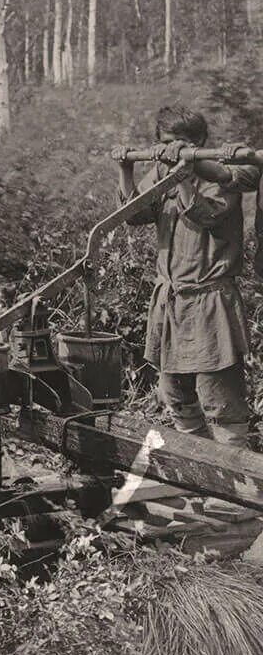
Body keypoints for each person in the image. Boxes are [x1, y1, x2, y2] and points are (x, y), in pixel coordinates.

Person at [120, 106, 258, 447]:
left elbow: (203, 218)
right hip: (171, 301)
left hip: (210, 301)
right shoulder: (160, 173)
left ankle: (234, 491)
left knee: (220, 400)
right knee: (176, 395)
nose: (171, 149)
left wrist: (183, 172)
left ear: (199, 142)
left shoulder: (223, 177)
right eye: (166, 142)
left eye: (181, 142)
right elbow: (134, 216)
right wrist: (126, 169)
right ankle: (200, 475)